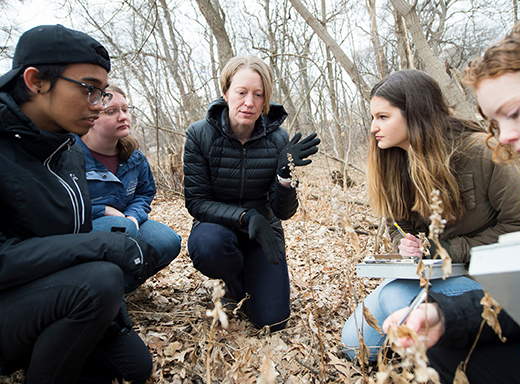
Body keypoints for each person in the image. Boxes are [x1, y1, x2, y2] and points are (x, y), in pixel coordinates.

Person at [382, 7, 520, 384]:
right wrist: (445, 316)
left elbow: (510, 227)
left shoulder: (479, 157)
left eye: (515, 112)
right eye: (496, 123)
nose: (503, 137)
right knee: (442, 341)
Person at [0, 25, 158, 383]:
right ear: (36, 80)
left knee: (133, 366)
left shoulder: (67, 148)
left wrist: (113, 315)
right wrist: (103, 244)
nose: (98, 105)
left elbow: (74, 235)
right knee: (99, 280)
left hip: (49, 295)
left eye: (102, 93)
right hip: (10, 303)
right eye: (90, 89)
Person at [340, 69, 520, 361]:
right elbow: (397, 226)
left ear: (415, 115)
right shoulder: (394, 159)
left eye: (383, 117)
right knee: (354, 346)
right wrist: (404, 244)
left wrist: (448, 250)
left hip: (481, 278)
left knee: (397, 298)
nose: (374, 127)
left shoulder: (481, 151)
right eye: (373, 118)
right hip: (425, 276)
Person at [184, 55, 320, 331]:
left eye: (258, 95)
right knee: (209, 246)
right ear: (225, 93)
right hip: (217, 228)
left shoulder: (279, 139)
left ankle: (255, 277)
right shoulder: (200, 134)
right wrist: (245, 217)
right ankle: (233, 284)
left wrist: (284, 176)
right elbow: (197, 202)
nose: (249, 102)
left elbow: (284, 211)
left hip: (263, 232)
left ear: (266, 99)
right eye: (241, 92)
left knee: (273, 321)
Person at [76, 84, 181, 292]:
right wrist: (103, 211)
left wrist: (133, 216)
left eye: (125, 109)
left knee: (166, 240)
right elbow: (58, 202)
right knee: (121, 228)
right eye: (111, 111)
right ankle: (84, 291)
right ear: (91, 116)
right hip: (83, 231)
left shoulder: (134, 157)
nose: (123, 116)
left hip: (127, 222)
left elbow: (144, 192)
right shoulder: (70, 153)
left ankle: (119, 288)